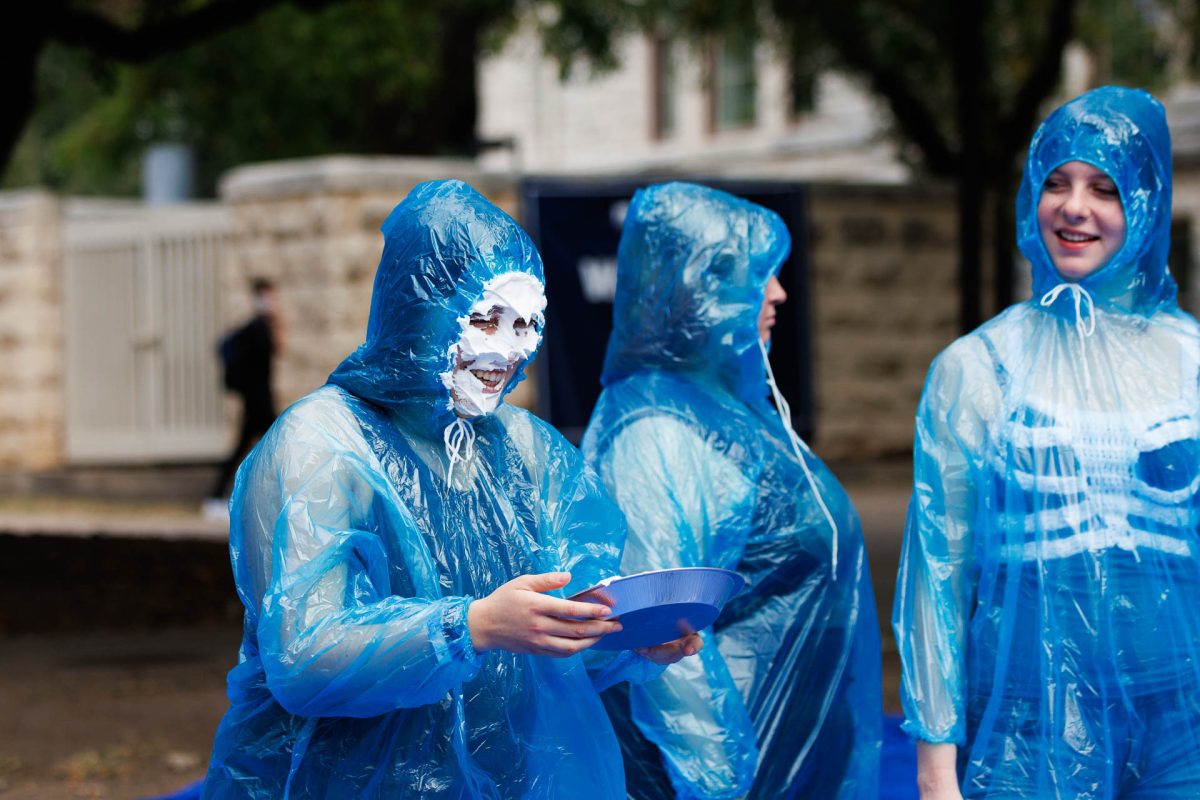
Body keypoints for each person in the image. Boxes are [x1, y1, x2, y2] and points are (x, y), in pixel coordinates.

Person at [201, 180, 701, 799]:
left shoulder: (524, 448)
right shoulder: (320, 447)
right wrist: (470, 626)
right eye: (486, 318)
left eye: (525, 324)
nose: (506, 351)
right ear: (420, 310)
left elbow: (545, 649)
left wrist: (626, 640)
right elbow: (306, 658)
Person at [894, 86, 1200, 799]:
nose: (1074, 207)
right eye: (1056, 183)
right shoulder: (977, 370)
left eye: (1106, 189)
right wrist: (937, 770)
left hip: (1184, 729)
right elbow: (937, 578)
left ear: (1149, 204)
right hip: (1027, 730)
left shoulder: (1192, 362)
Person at [582, 182, 882, 800]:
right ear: (695, 289)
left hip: (792, 759)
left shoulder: (727, 409)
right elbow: (669, 654)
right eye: (757, 276)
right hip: (734, 776)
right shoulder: (656, 434)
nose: (779, 294)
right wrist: (720, 787)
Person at [204, 277, 281, 518]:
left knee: (255, 449)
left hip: (259, 400)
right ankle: (217, 497)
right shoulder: (254, 329)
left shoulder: (263, 327)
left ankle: (220, 496)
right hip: (258, 401)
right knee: (271, 448)